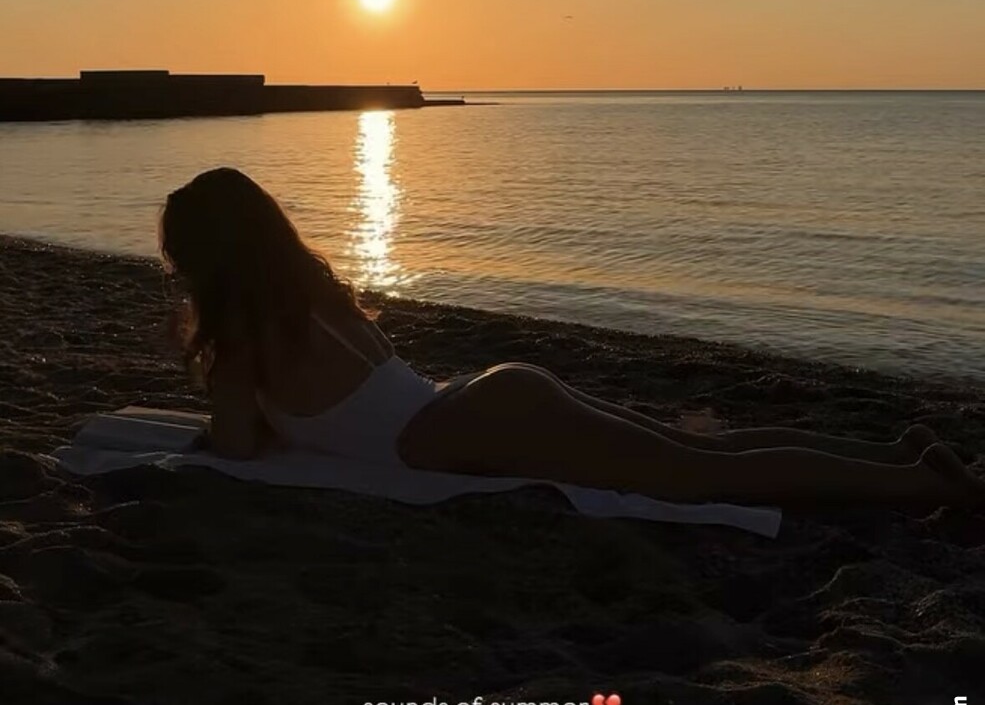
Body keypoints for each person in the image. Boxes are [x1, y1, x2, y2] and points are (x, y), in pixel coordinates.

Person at [159, 167, 981, 511]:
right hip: (482, 396)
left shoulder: (243, 344)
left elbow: (234, 451)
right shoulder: (312, 297)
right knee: (703, 448)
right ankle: (896, 452)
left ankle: (922, 485)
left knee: (701, 477)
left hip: (477, 423)